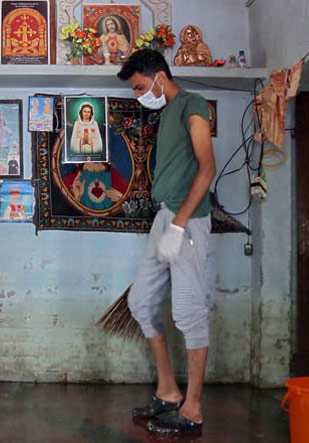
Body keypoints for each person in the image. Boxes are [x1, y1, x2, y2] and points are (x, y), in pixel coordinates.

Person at [117, 49, 216, 435]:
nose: (141, 95)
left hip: (186, 220)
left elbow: (206, 166)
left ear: (159, 76)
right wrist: (168, 223)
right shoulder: (167, 113)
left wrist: (179, 225)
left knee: (189, 312)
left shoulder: (192, 104)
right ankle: (169, 390)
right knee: (140, 301)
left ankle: (192, 410)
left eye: (141, 86)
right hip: (166, 216)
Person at [64, 163, 128, 210]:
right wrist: (77, 199)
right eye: (88, 170)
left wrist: (121, 200)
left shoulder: (115, 178)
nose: (96, 180)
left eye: (99, 171)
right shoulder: (72, 180)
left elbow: (132, 209)